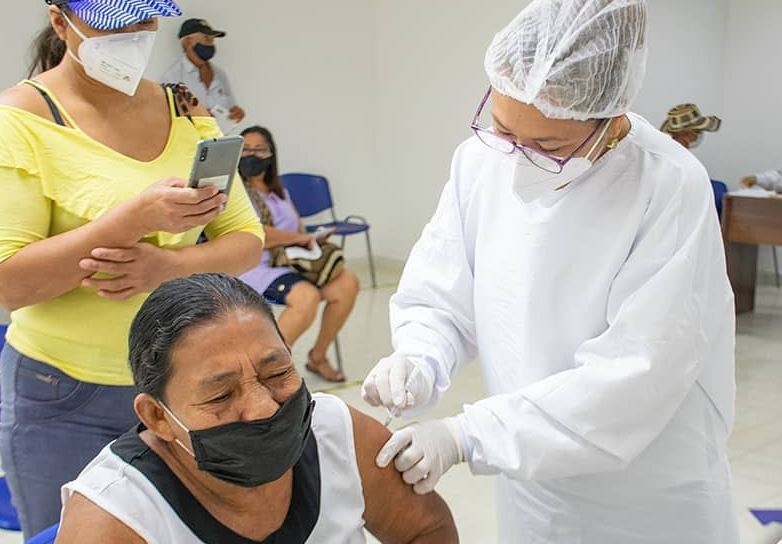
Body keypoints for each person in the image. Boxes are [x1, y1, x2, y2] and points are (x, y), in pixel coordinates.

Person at [362, 1, 738, 542]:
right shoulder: (480, 161)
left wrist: (468, 435)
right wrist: (420, 356)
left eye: (549, 146)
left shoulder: (667, 185)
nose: (518, 162)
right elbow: (443, 293)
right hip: (531, 477)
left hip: (646, 496)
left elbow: (636, 374)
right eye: (502, 129)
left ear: (611, 118)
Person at [0, 1, 264, 537]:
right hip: (64, 391)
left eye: (143, 20)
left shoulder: (183, 106)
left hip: (182, 380)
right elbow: (10, 283)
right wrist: (132, 220)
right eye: (112, 21)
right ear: (60, 21)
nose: (132, 34)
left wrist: (168, 266)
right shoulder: (22, 118)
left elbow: (245, 240)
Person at [56, 273, 458, 543]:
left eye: (277, 373)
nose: (263, 408)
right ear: (157, 417)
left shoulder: (336, 433)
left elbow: (426, 530)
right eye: (220, 396)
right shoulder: (117, 518)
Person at [239, 126, 359, 383]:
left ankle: (318, 356)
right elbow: (254, 234)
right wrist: (298, 239)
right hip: (254, 268)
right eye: (245, 149)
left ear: (270, 154)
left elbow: (297, 229)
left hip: (290, 262)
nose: (251, 155)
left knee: (347, 283)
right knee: (306, 297)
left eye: (259, 149)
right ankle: (267, 372)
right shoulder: (235, 194)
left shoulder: (281, 192)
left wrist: (311, 241)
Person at [161, 18, 245, 123]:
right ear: (188, 42)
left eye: (212, 40)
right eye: (207, 39)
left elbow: (231, 108)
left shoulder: (220, 75)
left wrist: (237, 113)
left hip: (222, 133)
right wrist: (200, 116)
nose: (211, 45)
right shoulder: (172, 78)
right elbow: (164, 117)